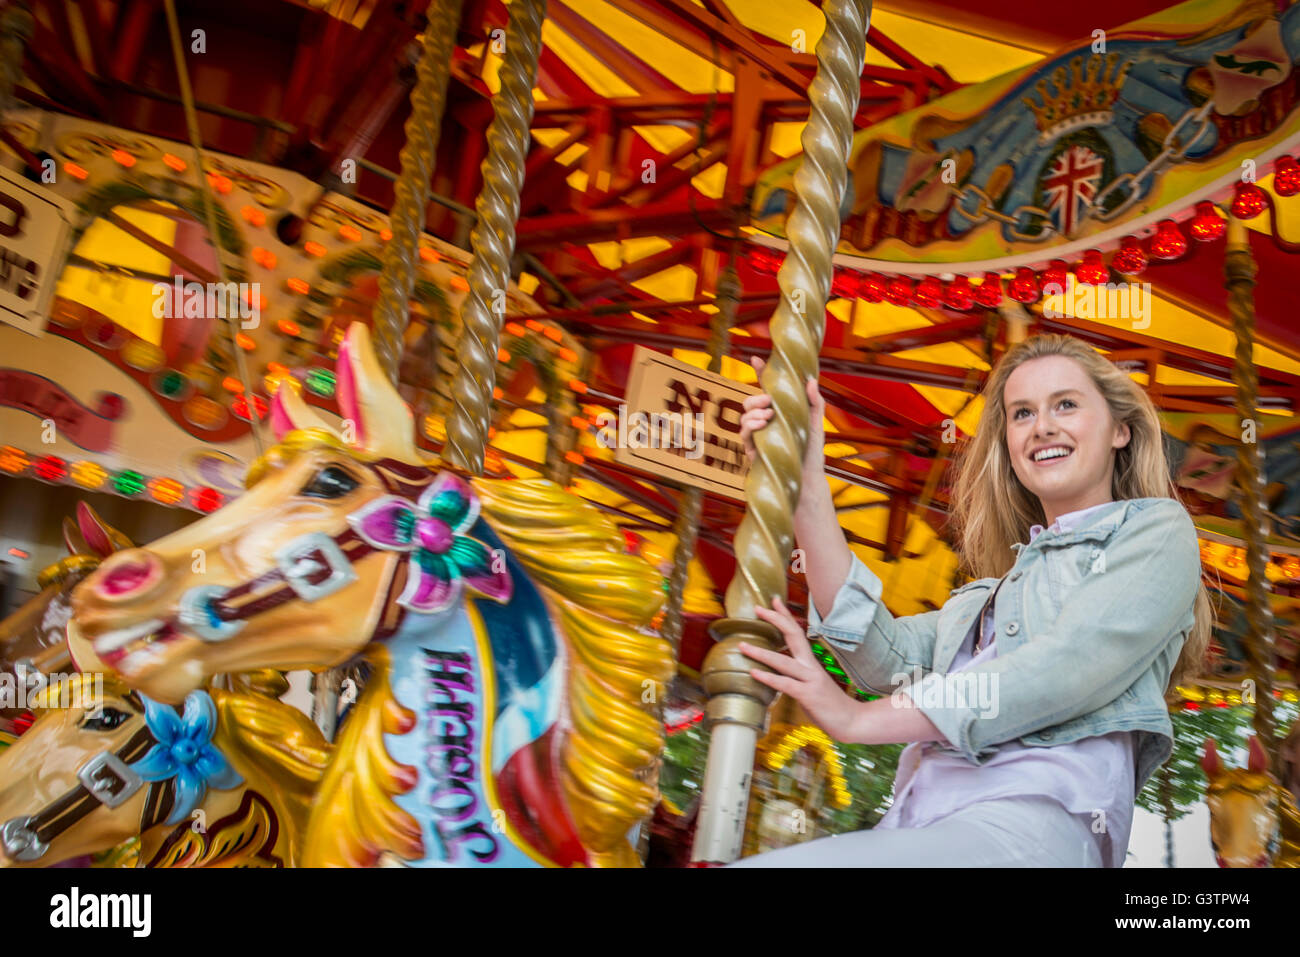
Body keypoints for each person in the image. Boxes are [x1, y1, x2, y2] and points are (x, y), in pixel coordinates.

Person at [728, 333, 1211, 867]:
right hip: (926, 818)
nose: (1042, 426)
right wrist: (806, 484)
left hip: (1035, 818)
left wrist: (858, 721)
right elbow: (882, 656)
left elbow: (1064, 668)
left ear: (1121, 429)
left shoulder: (1155, 530)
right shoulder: (981, 603)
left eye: (1066, 405)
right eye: (1021, 413)